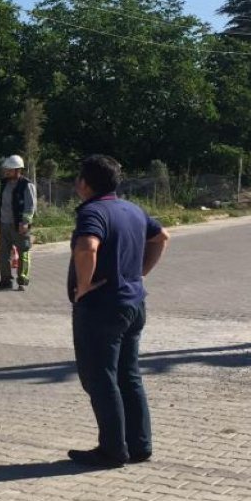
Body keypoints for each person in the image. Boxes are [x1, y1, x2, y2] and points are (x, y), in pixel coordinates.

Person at [66, 154, 170, 468]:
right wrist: (139, 272)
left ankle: (112, 449)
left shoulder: (92, 212)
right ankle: (139, 445)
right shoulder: (132, 209)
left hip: (101, 309)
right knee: (128, 374)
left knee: (100, 378)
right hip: (133, 304)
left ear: (84, 183)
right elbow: (162, 236)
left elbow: (88, 247)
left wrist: (83, 286)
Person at [0, 154, 37, 291]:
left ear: (18, 170)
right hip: (4, 225)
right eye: (7, 170)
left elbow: (30, 206)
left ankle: (22, 280)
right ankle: (5, 281)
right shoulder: (4, 183)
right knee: (3, 254)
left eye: (9, 170)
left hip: (19, 225)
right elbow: (2, 203)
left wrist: (25, 222)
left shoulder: (27, 185)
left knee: (23, 252)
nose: (7, 172)